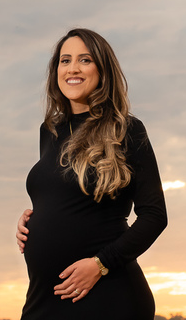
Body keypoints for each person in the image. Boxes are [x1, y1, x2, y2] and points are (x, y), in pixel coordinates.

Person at [16, 28, 168, 319]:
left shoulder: (126, 129)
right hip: (46, 294)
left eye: (85, 60)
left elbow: (154, 215)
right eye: (65, 60)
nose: (73, 68)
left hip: (107, 294)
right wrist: (33, 220)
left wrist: (100, 264)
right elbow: (62, 194)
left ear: (102, 69)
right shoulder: (49, 131)